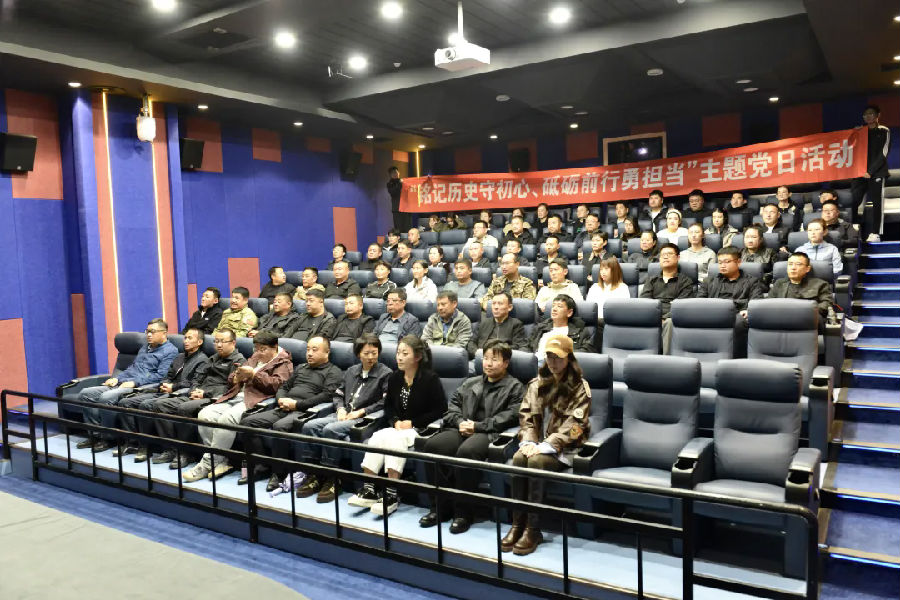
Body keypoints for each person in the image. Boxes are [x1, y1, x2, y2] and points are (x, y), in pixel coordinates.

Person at [419, 340, 525, 533]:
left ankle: (464, 513)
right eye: (486, 358)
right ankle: (441, 508)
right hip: (461, 428)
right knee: (433, 447)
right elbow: (452, 406)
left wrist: (477, 426)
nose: (488, 363)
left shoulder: (515, 387)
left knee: (466, 452)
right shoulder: (471, 382)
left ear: (506, 363)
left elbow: (510, 416)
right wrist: (460, 422)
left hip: (489, 433)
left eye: (494, 359)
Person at [502, 334, 590, 555]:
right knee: (519, 458)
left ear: (569, 358)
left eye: (558, 357)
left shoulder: (580, 387)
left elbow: (576, 426)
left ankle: (533, 530)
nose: (552, 362)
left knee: (535, 462)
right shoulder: (537, 383)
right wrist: (528, 441)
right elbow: (526, 417)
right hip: (537, 444)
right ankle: (518, 523)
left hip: (566, 449)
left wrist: (546, 445)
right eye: (549, 357)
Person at [347, 336, 447, 516]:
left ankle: (391, 494)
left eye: (404, 353)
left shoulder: (430, 379)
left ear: (417, 357)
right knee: (377, 436)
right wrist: (395, 421)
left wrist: (413, 423)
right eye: (398, 353)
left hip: (420, 430)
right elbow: (389, 407)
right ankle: (369, 489)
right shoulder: (395, 377)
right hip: (398, 427)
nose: (399, 357)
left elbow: (440, 410)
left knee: (394, 439)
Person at [181, 331, 293, 482]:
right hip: (235, 395)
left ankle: (207, 464)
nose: (258, 352)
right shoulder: (255, 356)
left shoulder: (283, 363)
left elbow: (278, 386)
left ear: (275, 347)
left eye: (263, 349)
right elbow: (233, 377)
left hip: (255, 400)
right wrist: (235, 377)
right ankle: (221, 461)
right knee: (205, 415)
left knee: (227, 419)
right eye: (256, 348)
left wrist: (254, 375)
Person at [297, 334, 392, 502]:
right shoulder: (351, 371)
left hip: (363, 419)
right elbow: (338, 394)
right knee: (309, 426)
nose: (370, 357)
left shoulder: (386, 373)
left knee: (330, 430)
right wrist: (340, 409)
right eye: (366, 353)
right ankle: (314, 474)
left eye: (374, 353)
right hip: (343, 414)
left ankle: (332, 478)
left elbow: (386, 402)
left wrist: (362, 411)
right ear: (358, 354)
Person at [239, 336, 342, 489]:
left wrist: (297, 405)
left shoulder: (334, 371)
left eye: (314, 350)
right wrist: (281, 399)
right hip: (283, 406)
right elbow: (284, 387)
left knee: (280, 426)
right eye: (308, 349)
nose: (309, 353)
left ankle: (279, 473)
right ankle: (261, 466)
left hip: (305, 411)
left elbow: (326, 396)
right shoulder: (301, 368)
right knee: (247, 422)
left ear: (327, 352)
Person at [75, 319, 179, 453]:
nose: (148, 335)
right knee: (85, 393)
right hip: (123, 382)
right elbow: (132, 368)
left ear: (164, 333)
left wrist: (135, 383)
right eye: (147, 331)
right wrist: (116, 378)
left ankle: (108, 438)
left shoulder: (170, 351)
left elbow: (161, 376)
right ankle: (95, 436)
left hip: (141, 387)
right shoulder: (145, 347)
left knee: (107, 397)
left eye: (152, 332)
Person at [150, 328, 245, 469]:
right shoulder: (213, 358)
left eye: (223, 341)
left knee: (185, 408)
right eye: (216, 341)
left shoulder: (239, 361)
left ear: (233, 343)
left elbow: (232, 388)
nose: (219, 345)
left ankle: (186, 453)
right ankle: (171, 449)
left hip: (216, 399)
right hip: (197, 394)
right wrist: (195, 390)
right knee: (160, 405)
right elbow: (198, 378)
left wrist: (205, 394)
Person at [112, 328, 210, 461]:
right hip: (163, 390)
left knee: (147, 405)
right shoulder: (180, 357)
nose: (186, 341)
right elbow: (167, 375)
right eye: (185, 338)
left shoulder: (202, 360)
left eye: (190, 338)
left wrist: (173, 387)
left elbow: (194, 383)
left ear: (199, 342)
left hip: (179, 393)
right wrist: (165, 384)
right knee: (126, 402)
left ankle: (161, 448)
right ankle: (133, 443)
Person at [698, 247, 765, 348]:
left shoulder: (752, 282)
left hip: (737, 315)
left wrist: (748, 310)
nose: (722, 265)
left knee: (739, 321)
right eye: (720, 262)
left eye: (727, 262)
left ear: (738, 262)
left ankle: (737, 355)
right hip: (713, 314)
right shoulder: (709, 281)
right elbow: (699, 301)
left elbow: (757, 302)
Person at [640, 243, 695, 353]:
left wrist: (664, 318)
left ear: (678, 257)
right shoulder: (651, 280)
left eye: (669, 254)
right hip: (653, 316)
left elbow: (681, 307)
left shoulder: (685, 282)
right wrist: (657, 318)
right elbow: (645, 302)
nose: (665, 257)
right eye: (663, 255)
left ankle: (667, 359)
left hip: (672, 318)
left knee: (669, 323)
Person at [851, 104, 891, 241]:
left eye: (871, 114)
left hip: (877, 173)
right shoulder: (860, 131)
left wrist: (870, 171)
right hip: (860, 172)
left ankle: (875, 233)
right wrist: (855, 133)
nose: (868, 116)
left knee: (877, 203)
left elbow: (884, 153)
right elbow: (850, 148)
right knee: (853, 199)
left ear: (878, 115)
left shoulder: (884, 130)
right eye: (865, 114)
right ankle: (853, 229)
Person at [769, 252, 834, 320]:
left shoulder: (820, 284)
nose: (793, 268)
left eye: (798, 264)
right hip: (781, 320)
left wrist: (803, 312)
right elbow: (769, 304)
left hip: (808, 320)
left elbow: (827, 304)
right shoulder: (779, 284)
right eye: (790, 264)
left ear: (807, 269)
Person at [529, 295, 593, 362]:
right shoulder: (540, 328)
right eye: (553, 306)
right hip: (535, 363)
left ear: (569, 312)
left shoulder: (580, 331)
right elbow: (528, 347)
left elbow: (586, 351)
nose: (554, 309)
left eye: (559, 306)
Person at [467, 291, 529, 357]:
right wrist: (478, 353)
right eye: (493, 303)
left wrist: (500, 353)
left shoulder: (516, 324)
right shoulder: (484, 322)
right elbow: (471, 343)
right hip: (481, 358)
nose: (496, 307)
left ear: (509, 307)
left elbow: (521, 347)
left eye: (500, 304)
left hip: (503, 359)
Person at [585, 257, 631, 322]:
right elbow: (588, 308)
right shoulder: (594, 287)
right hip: (595, 322)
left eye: (606, 269)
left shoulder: (623, 287)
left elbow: (624, 310)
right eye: (601, 269)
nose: (603, 272)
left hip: (614, 322)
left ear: (614, 271)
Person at [387, 166, 407, 232]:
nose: (395, 174)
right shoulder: (390, 184)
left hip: (406, 209)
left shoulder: (405, 182)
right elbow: (393, 192)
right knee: (399, 229)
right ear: (390, 175)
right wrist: (400, 184)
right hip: (397, 209)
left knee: (407, 228)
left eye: (396, 172)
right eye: (393, 173)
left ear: (399, 173)